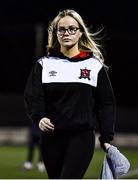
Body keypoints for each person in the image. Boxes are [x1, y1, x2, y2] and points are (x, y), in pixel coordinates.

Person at [24, 9, 116, 179]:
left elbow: (106, 103)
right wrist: (39, 117)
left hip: (81, 137)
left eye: (72, 29)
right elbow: (33, 96)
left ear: (80, 32)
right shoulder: (44, 64)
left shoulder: (94, 65)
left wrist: (107, 137)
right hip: (51, 139)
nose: (67, 33)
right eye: (62, 29)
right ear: (56, 33)